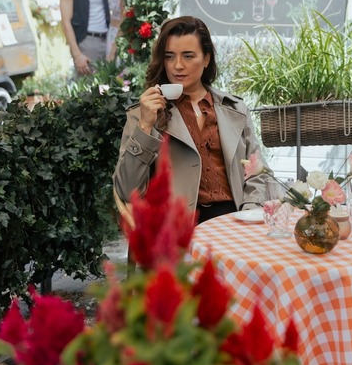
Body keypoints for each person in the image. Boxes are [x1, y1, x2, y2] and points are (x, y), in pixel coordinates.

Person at [113, 15, 277, 224]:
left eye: (188, 56)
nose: (177, 65)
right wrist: (145, 125)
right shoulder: (144, 113)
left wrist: (249, 213)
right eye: (170, 56)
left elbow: (259, 174)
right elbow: (127, 190)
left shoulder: (235, 110)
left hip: (235, 218)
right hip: (176, 228)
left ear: (206, 59)